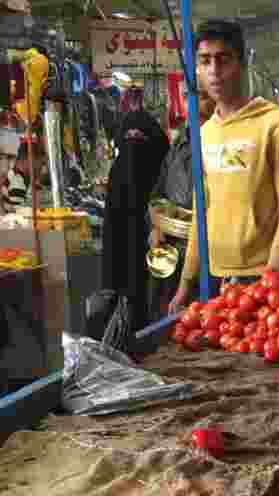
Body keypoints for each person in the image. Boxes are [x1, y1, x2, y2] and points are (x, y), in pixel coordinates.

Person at [169, 19, 279, 312]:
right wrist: (185, 283)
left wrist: (274, 274)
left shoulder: (275, 124)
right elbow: (200, 210)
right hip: (214, 274)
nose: (214, 71)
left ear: (240, 63)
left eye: (223, 59)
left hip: (261, 274)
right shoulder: (204, 133)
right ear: (198, 70)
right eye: (205, 61)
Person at [148, 88, 216, 320]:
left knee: (205, 318)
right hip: (172, 247)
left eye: (203, 96)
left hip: (210, 248)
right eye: (189, 97)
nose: (194, 103)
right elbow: (159, 192)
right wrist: (155, 227)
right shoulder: (179, 143)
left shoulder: (222, 142)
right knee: (167, 314)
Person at [102, 107, 169, 335]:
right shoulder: (120, 171)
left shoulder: (162, 170)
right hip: (125, 255)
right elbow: (111, 228)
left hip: (157, 250)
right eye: (129, 139)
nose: (134, 147)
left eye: (139, 139)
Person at [1, 139, 47, 211]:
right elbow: (18, 211)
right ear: (28, 159)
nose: (43, 170)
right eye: (41, 164)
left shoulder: (18, 175)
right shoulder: (17, 180)